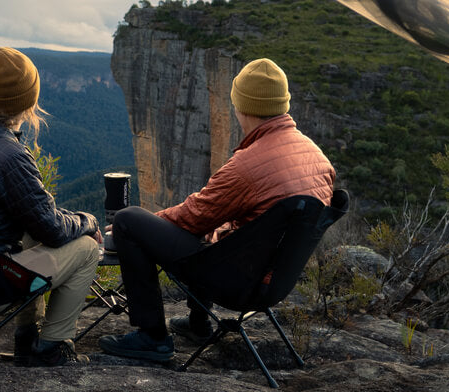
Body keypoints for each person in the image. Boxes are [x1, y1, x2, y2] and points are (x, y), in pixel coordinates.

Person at [98, 58, 335, 363]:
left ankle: (152, 337)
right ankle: (198, 324)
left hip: (238, 281)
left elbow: (193, 217)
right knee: (220, 230)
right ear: (283, 105)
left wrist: (147, 224)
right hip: (274, 281)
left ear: (241, 107)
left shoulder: (249, 165)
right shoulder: (317, 157)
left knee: (130, 220)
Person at [0, 47, 104, 366]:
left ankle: (28, 340)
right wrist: (89, 222)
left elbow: (38, 219)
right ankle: (52, 348)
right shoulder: (7, 154)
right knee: (85, 249)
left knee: (28, 233)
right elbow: (51, 228)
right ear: (29, 99)